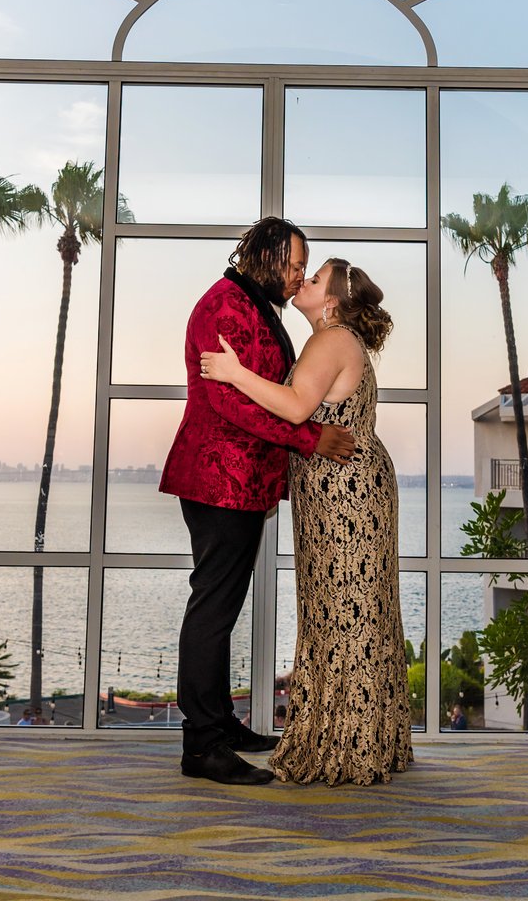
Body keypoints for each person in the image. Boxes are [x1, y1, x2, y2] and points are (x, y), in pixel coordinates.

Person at [201, 257, 413, 786]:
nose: (304, 281)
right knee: (352, 608)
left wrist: (233, 372)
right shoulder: (338, 339)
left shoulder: (331, 339)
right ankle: (367, 738)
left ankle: (348, 745)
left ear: (333, 301)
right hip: (344, 489)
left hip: (345, 493)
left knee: (343, 611)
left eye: (314, 279)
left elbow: (296, 408)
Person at [161, 218, 357, 786]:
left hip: (240, 483)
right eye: (294, 265)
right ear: (267, 257)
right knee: (213, 611)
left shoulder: (254, 304)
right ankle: (202, 747)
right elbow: (231, 402)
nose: (299, 276)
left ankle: (220, 724)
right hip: (217, 482)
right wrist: (310, 439)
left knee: (219, 610)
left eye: (304, 268)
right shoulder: (224, 306)